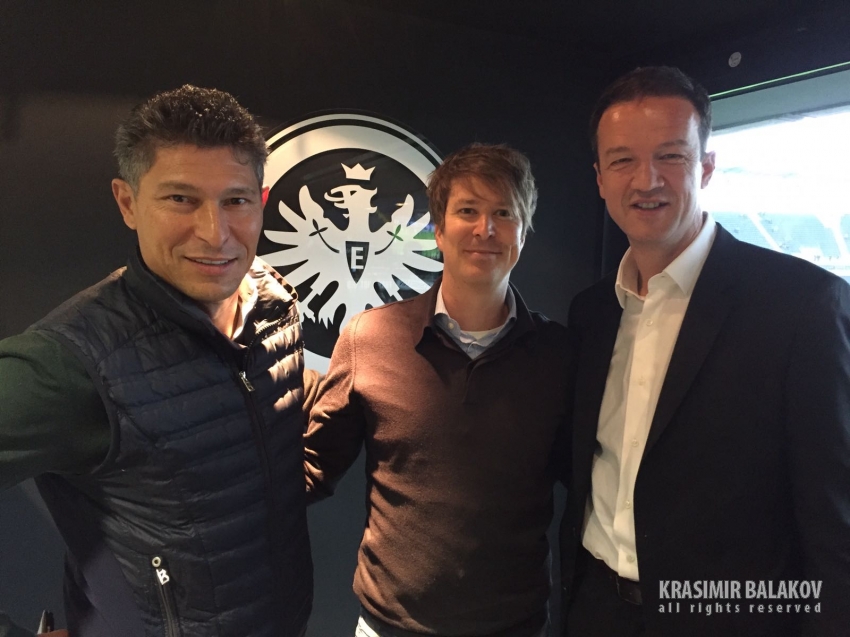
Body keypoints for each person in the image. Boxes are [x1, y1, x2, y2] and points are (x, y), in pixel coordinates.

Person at [0, 86, 314, 637]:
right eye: (181, 199)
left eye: (236, 201)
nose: (215, 233)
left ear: (261, 200)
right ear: (127, 203)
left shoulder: (274, 301)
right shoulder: (72, 360)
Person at [560, 65, 850, 636]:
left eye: (670, 156)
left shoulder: (802, 306)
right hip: (594, 608)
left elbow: (834, 522)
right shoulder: (591, 312)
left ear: (707, 166)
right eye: (622, 160)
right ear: (600, 179)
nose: (646, 180)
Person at [304, 143, 572, 637]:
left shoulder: (559, 354)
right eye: (468, 210)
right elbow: (311, 470)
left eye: (504, 213)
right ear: (439, 231)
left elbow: (592, 481)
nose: (485, 229)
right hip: (388, 627)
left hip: (515, 627)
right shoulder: (369, 337)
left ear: (524, 231)